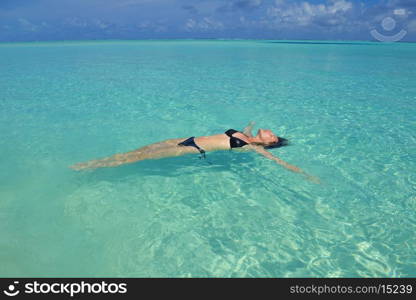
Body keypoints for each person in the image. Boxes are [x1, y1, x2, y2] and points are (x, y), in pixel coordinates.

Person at [70, 122, 319, 183]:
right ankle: (96, 162)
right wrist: (251, 126)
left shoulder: (253, 146)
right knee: (139, 150)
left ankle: (89, 166)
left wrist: (304, 173)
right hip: (183, 138)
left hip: (193, 148)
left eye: (274, 138)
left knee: (137, 158)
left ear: (268, 143)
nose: (272, 133)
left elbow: (276, 160)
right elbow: (243, 130)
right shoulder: (247, 134)